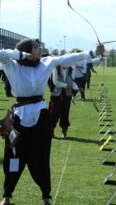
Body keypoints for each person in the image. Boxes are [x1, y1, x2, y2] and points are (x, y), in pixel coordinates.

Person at [0, 38, 104, 205]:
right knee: (13, 156)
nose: (40, 49)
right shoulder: (11, 64)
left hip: (41, 116)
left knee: (41, 156)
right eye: (35, 47)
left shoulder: (46, 62)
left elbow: (67, 58)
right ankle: (7, 195)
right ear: (27, 49)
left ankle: (46, 196)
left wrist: (92, 53)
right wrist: (20, 54)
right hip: (18, 117)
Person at [48, 66, 78, 139]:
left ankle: (64, 132)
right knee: (54, 112)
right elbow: (55, 82)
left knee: (65, 112)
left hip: (67, 94)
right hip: (56, 94)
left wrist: (77, 87)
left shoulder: (72, 69)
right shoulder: (56, 68)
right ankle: (51, 131)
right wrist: (65, 85)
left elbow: (72, 81)